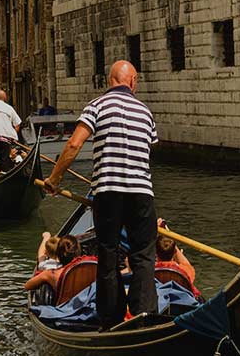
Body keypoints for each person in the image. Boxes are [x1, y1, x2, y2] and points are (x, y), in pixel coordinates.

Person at [44, 59, 158, 330]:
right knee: (143, 255)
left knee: (108, 253)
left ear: (110, 81)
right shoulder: (146, 112)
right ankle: (145, 317)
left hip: (108, 192)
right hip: (142, 192)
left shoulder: (96, 106)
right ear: (132, 82)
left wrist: (54, 179)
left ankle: (111, 320)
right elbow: (147, 151)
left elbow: (73, 144)